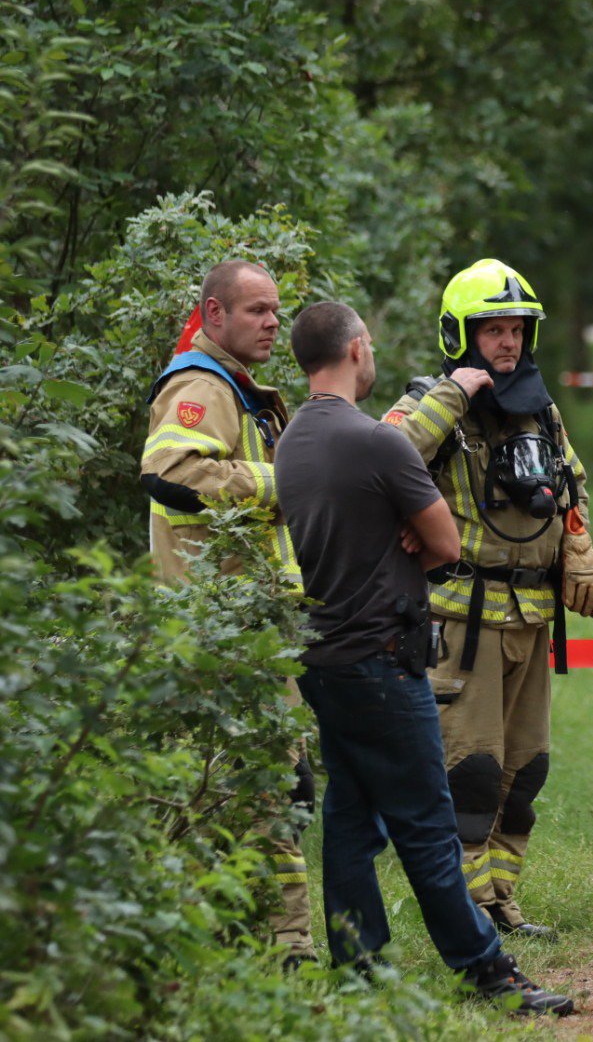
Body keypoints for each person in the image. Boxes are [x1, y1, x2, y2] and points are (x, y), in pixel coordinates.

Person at [275, 301, 572, 1015]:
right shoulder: (376, 441)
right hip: (383, 659)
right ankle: (487, 971)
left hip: (324, 658)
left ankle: (359, 968)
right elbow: (446, 543)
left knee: (350, 821)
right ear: (355, 349)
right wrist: (412, 526)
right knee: (429, 828)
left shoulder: (291, 440)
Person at [384, 258, 593, 940]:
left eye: (516, 330)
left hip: (532, 617)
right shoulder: (427, 404)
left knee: (525, 770)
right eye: (493, 331)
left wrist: (578, 543)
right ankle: (470, 910)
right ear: (461, 335)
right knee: (471, 772)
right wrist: (454, 396)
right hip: (461, 620)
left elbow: (571, 486)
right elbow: (384, 460)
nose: (508, 343)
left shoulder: (541, 410)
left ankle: (503, 901)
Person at [140, 259, 312, 964]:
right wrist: (278, 480)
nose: (273, 323)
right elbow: (170, 471)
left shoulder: (238, 388)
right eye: (256, 310)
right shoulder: (201, 386)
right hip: (221, 634)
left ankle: (241, 944)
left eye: (275, 310)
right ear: (214, 314)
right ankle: (286, 948)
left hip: (253, 629)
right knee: (266, 789)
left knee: (276, 787)